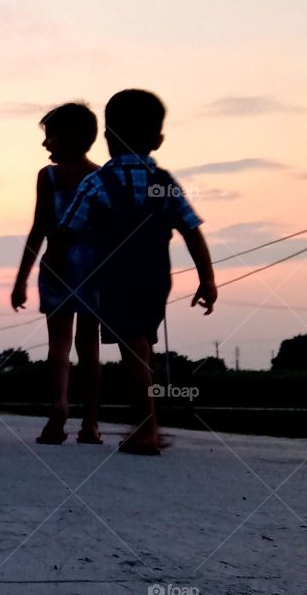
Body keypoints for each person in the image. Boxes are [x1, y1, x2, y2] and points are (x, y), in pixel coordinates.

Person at [53, 89, 216, 455]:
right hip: (157, 277)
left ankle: (146, 430)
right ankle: (149, 421)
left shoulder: (96, 184)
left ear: (108, 138)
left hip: (117, 278)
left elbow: (67, 230)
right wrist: (207, 278)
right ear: (158, 139)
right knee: (143, 346)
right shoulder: (163, 181)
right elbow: (191, 230)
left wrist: (58, 263)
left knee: (132, 348)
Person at [11, 103, 102, 445]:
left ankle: (58, 409)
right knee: (89, 348)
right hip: (94, 268)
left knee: (58, 346)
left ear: (66, 137)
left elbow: (38, 229)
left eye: (49, 136)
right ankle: (91, 424)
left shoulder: (48, 177)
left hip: (57, 265)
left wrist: (21, 279)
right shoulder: (101, 176)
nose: (45, 144)